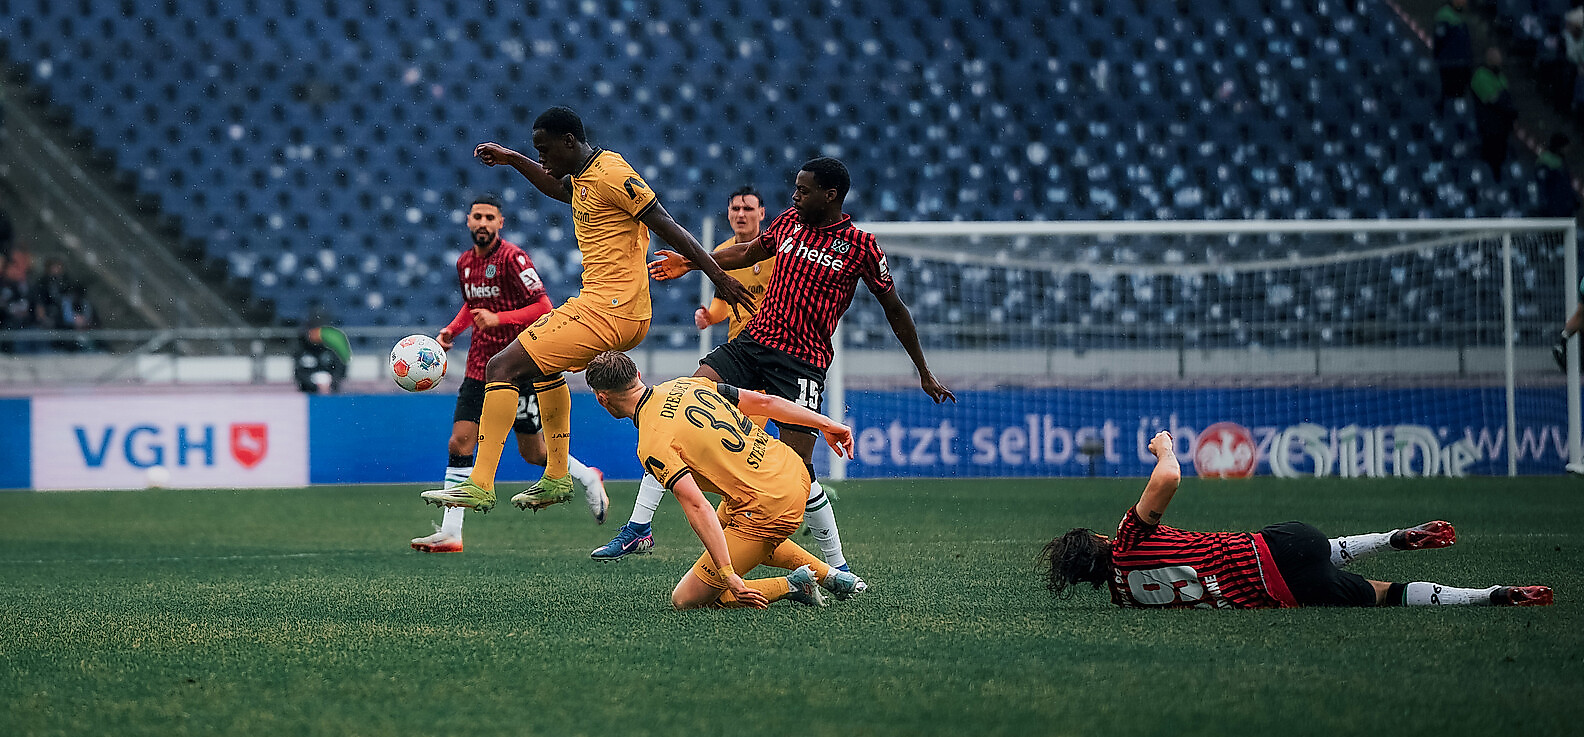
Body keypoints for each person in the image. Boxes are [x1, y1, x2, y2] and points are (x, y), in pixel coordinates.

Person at [420, 106, 754, 512]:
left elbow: (669, 225)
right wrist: (512, 159)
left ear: (569, 142)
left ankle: (481, 483)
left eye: (544, 150)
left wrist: (717, 276)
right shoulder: (582, 178)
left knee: (500, 368)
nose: (542, 159)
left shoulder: (612, 174)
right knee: (544, 367)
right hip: (609, 307)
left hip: (612, 309)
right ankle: (558, 478)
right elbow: (555, 187)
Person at [646, 157, 954, 573]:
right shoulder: (789, 221)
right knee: (689, 396)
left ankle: (837, 566)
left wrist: (923, 370)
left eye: (803, 190)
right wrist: (692, 262)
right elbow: (747, 252)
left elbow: (895, 309)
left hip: (803, 362)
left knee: (797, 471)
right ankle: (645, 524)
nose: (794, 196)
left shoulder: (861, 246)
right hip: (753, 341)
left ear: (830, 196)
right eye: (795, 188)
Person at [1037, 431, 1554, 609]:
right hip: (1272, 547)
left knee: (1383, 594)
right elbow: (1168, 479)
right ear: (1101, 541)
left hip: (1279, 593)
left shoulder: (1125, 595)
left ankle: (1492, 595)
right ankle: (1390, 536)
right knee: (1321, 547)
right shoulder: (1127, 540)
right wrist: (1164, 447)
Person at [585, 351, 866, 609]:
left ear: (602, 398)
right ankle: (831, 575)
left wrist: (728, 574)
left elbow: (697, 507)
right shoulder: (687, 384)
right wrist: (827, 423)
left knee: (686, 599)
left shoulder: (651, 443)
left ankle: (795, 585)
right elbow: (765, 402)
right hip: (791, 468)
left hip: (769, 504)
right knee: (724, 534)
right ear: (639, 376)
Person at [412, 196, 611, 553]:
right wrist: (452, 331)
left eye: (490, 216)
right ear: (468, 221)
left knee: (534, 453)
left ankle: (586, 476)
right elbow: (473, 307)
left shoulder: (513, 259)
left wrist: (500, 319)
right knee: (459, 442)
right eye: (477, 217)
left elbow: (543, 307)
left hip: (518, 368)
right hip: (479, 368)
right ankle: (451, 532)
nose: (483, 222)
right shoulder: (464, 263)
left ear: (500, 222)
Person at [594, 185, 770, 560]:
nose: (741, 214)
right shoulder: (723, 251)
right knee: (671, 424)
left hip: (774, 360)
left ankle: (824, 554)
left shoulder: (775, 251)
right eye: (735, 208)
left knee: (757, 456)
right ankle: (640, 526)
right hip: (738, 357)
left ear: (762, 213)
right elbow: (725, 301)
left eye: (747, 208)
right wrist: (711, 315)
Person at [1472, 47, 1517, 181]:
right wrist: (1507, 107)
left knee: (1501, 156)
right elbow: (1491, 99)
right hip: (1489, 124)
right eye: (1496, 58)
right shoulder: (1480, 75)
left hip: (1502, 126)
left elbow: (1505, 97)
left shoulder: (1500, 76)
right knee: (1490, 157)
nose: (1499, 61)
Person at [1433, 0, 1474, 111]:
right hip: (1450, 64)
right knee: (1449, 96)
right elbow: (1439, 40)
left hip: (1461, 63)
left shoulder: (1460, 16)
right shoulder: (1444, 15)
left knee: (1460, 97)